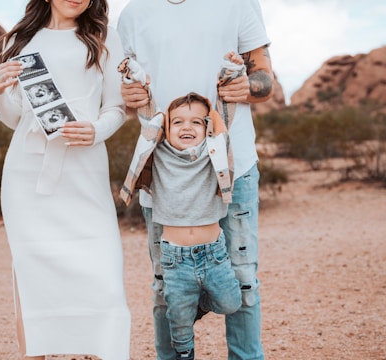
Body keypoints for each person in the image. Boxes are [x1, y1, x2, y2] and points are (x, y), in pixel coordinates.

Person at [117, 1, 274, 359]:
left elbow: (265, 79)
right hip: (163, 172)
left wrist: (249, 85)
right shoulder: (132, 15)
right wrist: (127, 96)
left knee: (243, 281)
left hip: (235, 167)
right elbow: (127, 92)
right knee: (164, 290)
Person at [0, 1, 130, 359]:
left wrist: (96, 130)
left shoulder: (105, 37)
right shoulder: (19, 40)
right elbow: (14, 117)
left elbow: (118, 108)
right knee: (34, 278)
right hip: (28, 175)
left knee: (105, 278)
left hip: (85, 172)